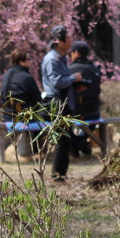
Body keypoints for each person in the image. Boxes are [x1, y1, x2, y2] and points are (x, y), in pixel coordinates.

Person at [41, 25, 83, 183]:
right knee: (61, 140)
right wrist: (74, 78)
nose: (71, 41)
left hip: (64, 102)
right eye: (69, 38)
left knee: (65, 140)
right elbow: (56, 82)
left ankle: (61, 173)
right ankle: (58, 175)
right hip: (57, 103)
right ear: (60, 42)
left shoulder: (60, 58)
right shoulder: (52, 59)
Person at [68, 41, 102, 158]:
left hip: (72, 112)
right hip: (93, 111)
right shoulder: (95, 69)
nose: (70, 56)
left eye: (70, 53)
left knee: (66, 126)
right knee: (90, 126)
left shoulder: (69, 70)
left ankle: (75, 144)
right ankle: (81, 144)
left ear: (76, 53)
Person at [0, 49, 42, 121]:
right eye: (28, 59)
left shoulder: (6, 75)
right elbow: (37, 99)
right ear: (21, 61)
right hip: (25, 117)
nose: (30, 61)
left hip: (7, 117)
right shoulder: (26, 77)